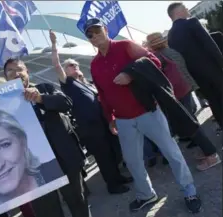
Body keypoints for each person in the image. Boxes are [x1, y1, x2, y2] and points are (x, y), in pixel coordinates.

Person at [84, 17, 201, 213]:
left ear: (105, 29)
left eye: (96, 30)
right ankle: (146, 194)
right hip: (122, 120)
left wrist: (131, 73)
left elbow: (154, 60)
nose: (94, 36)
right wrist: (110, 118)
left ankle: (189, 191)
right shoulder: (95, 64)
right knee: (133, 161)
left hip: (148, 112)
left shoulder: (125, 46)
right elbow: (102, 95)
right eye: (89, 34)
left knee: (171, 152)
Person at [3, 58, 91, 217]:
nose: (16, 74)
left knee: (78, 202)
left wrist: (40, 98)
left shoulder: (44, 88)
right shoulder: (1, 105)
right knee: (48, 212)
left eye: (19, 69)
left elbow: (66, 102)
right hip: (32, 169)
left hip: (64, 158)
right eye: (10, 71)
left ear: (27, 72)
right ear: (5, 78)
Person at [49, 29, 133, 194]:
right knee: (103, 157)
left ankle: (118, 177)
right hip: (90, 129)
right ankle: (113, 185)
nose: (75, 67)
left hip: (102, 123)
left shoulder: (85, 83)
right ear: (65, 71)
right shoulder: (67, 84)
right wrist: (53, 44)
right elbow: (56, 65)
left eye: (76, 65)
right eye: (71, 66)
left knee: (111, 152)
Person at [145, 32, 221, 171]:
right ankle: (207, 150)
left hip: (176, 93)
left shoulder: (157, 57)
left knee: (190, 125)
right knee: (192, 122)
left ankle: (211, 155)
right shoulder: (171, 51)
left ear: (151, 45)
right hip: (185, 89)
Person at [167, 2, 223, 129]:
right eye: (185, 8)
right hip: (213, 69)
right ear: (178, 12)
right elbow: (210, 45)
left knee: (214, 102)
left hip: (197, 76)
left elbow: (180, 59)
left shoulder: (170, 36)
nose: (188, 10)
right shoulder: (191, 22)